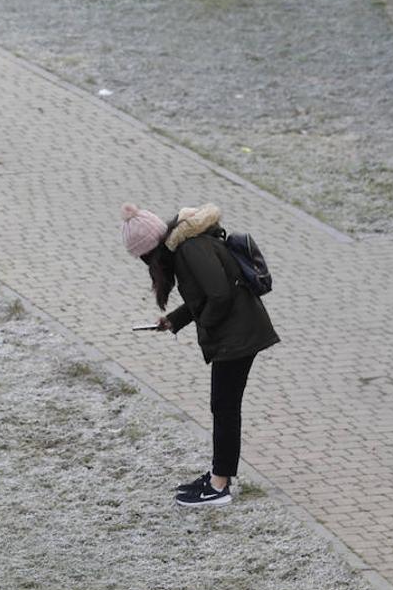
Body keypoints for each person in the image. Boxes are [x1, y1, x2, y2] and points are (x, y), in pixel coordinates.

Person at [120, 203, 279, 507]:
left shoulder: (189, 250)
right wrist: (174, 321)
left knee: (224, 406)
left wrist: (206, 324)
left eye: (143, 258)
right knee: (224, 406)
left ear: (149, 250)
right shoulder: (186, 247)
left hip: (238, 334)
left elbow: (219, 294)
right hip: (238, 331)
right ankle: (220, 476)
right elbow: (209, 294)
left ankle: (219, 486)